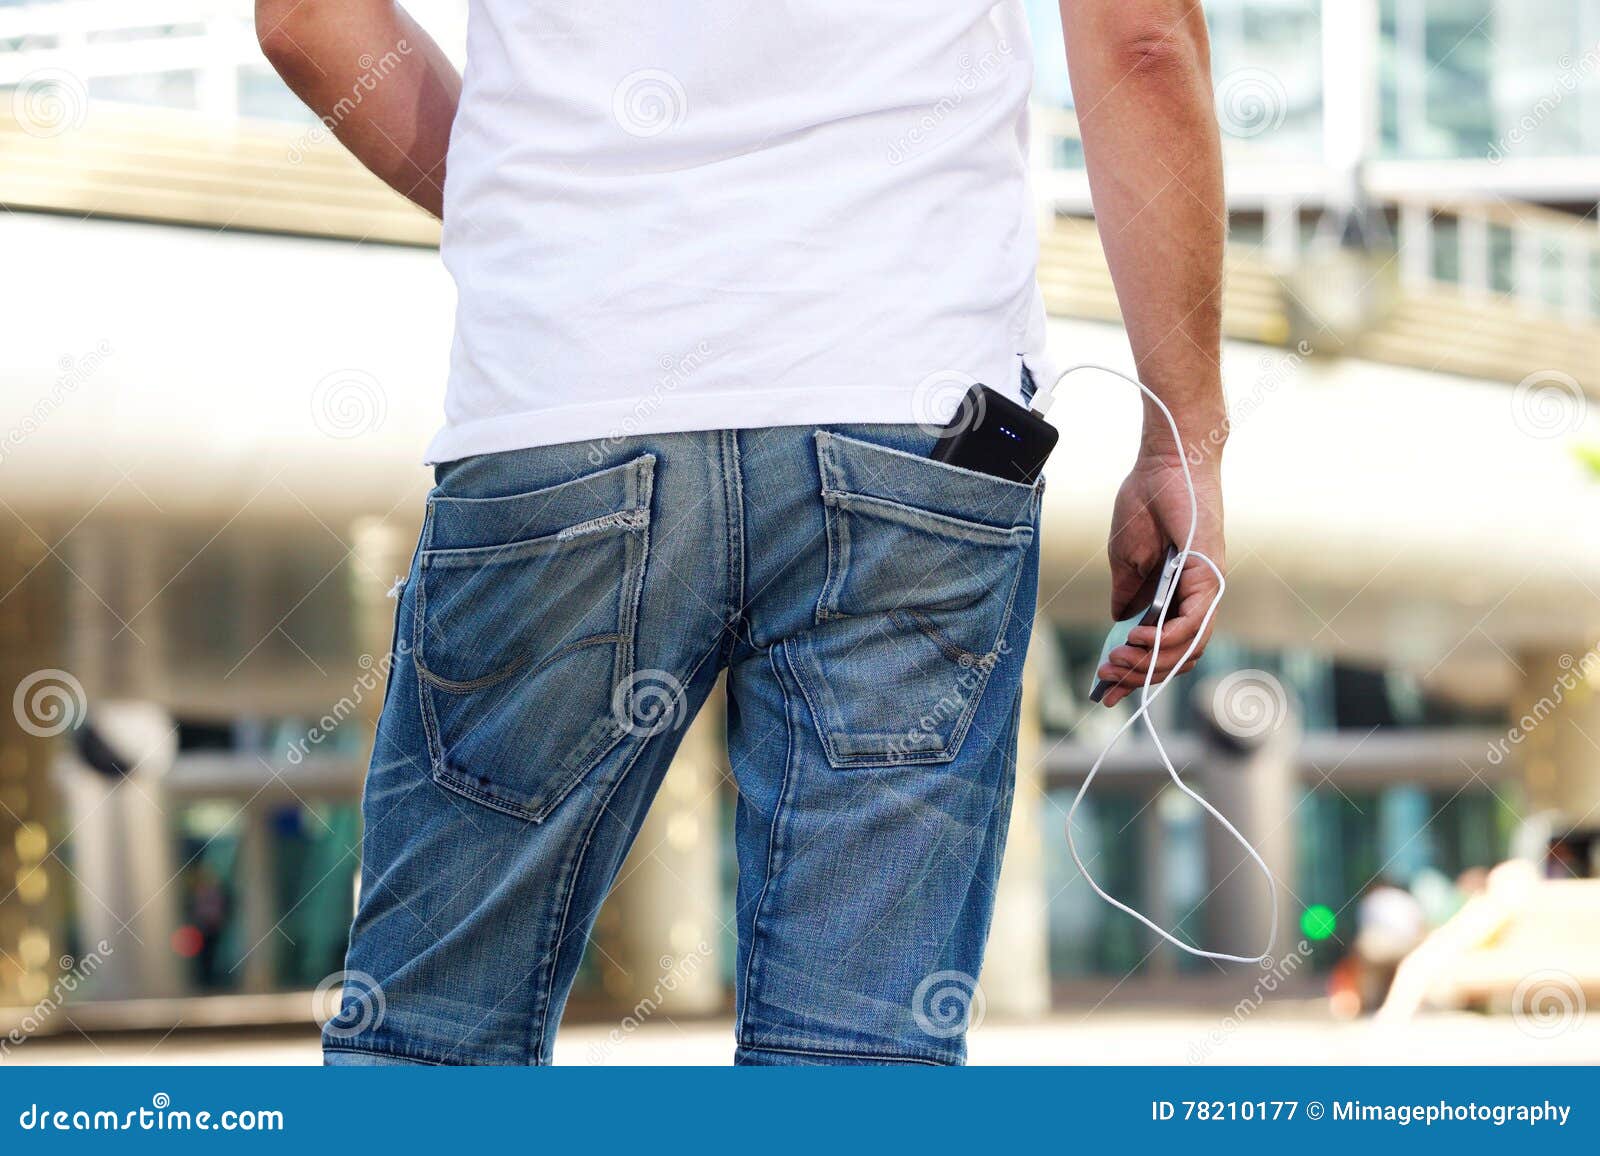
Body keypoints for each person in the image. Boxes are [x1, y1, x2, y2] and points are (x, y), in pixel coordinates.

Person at [258, 0, 1229, 1065]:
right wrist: (1183, 438)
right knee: (853, 1060)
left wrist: (545, 227)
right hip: (910, 420)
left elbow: (305, 20)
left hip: (562, 400)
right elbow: (1141, 43)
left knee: (431, 1040)